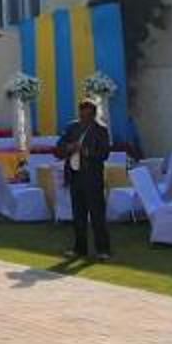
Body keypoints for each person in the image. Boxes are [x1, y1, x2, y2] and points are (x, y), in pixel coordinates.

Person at [57, 97, 112, 259]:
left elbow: (104, 153)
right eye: (82, 115)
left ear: (94, 115)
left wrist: (86, 151)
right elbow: (59, 146)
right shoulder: (72, 127)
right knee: (78, 216)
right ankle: (79, 249)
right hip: (75, 176)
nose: (84, 118)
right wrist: (69, 147)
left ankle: (103, 250)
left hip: (92, 178)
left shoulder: (101, 130)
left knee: (97, 215)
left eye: (88, 116)